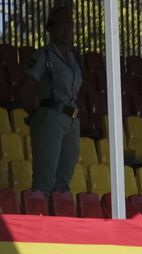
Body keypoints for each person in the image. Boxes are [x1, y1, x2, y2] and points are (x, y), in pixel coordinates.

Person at [19, 4, 81, 193]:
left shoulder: (74, 58)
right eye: (63, 25)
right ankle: (39, 219)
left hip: (72, 119)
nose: (68, 29)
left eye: (70, 25)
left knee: (62, 185)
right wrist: (39, 113)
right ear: (51, 28)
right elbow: (25, 88)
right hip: (51, 115)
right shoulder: (44, 55)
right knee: (44, 181)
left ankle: (58, 221)